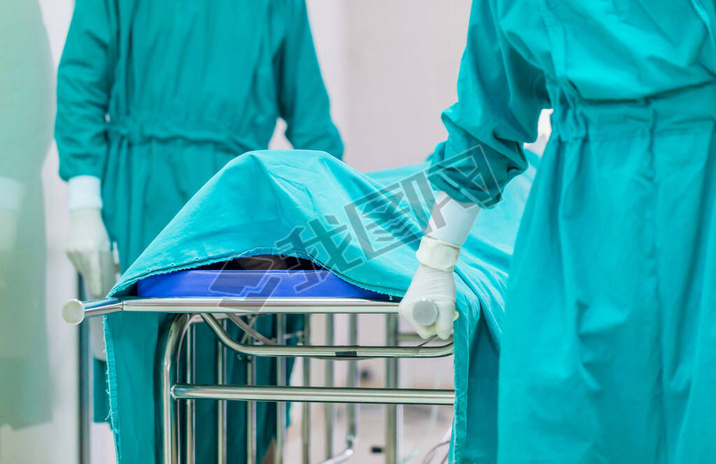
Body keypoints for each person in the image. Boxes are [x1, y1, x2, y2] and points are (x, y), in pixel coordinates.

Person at [399, 0, 716, 462]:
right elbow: (487, 114)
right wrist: (436, 257)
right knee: (562, 419)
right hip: (583, 225)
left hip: (689, 200)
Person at [55, 0, 342, 462]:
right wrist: (83, 202)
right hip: (143, 201)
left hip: (238, 207)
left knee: (240, 389)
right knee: (148, 385)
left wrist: (334, 220)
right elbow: (81, 81)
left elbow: (312, 119)